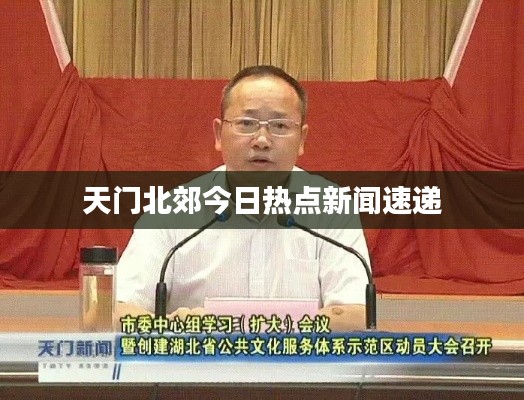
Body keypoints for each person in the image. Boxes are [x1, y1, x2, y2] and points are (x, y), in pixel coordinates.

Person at [116, 65, 370, 331]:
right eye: (247, 124)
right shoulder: (172, 211)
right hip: (200, 359)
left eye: (280, 125)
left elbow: (358, 314)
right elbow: (114, 310)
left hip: (300, 359)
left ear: (302, 139)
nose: (262, 140)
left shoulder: (331, 208)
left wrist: (245, 326)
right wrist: (175, 327)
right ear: (218, 134)